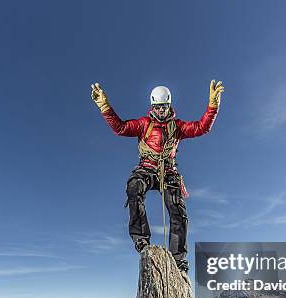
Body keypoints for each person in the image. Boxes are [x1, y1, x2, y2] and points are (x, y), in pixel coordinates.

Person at [91, 80, 224, 273]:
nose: (161, 111)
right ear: (152, 106)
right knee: (134, 188)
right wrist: (105, 106)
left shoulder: (177, 127)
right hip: (147, 168)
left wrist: (213, 106)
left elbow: (201, 128)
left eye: (164, 107)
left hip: (168, 171)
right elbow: (120, 128)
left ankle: (178, 258)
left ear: (169, 105)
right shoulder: (143, 124)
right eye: (157, 107)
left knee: (177, 211)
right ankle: (141, 239)